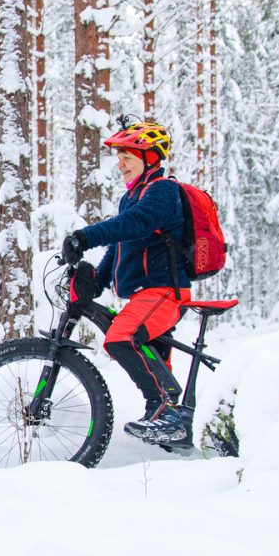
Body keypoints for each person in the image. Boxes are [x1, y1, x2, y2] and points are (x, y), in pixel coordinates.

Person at [60, 119, 194, 451]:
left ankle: (171, 413)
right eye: (119, 158)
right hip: (145, 295)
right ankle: (171, 430)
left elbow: (134, 224)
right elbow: (120, 246)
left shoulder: (163, 191)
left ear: (151, 157)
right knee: (149, 356)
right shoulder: (132, 196)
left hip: (164, 292)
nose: (120, 165)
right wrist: (98, 282)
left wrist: (84, 237)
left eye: (127, 158)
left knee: (121, 337)